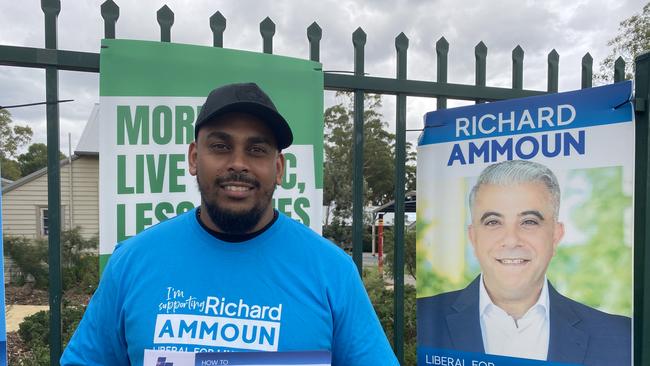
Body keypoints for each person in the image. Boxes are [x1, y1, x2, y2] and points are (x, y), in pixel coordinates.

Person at [62, 82, 398, 366]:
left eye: (257, 149)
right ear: (195, 158)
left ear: (278, 168)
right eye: (221, 147)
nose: (238, 164)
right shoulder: (132, 262)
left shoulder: (332, 271)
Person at [417, 160, 631, 365]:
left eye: (529, 222)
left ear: (556, 236)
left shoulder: (621, 337)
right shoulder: (423, 320)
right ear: (473, 237)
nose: (511, 239)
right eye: (493, 222)